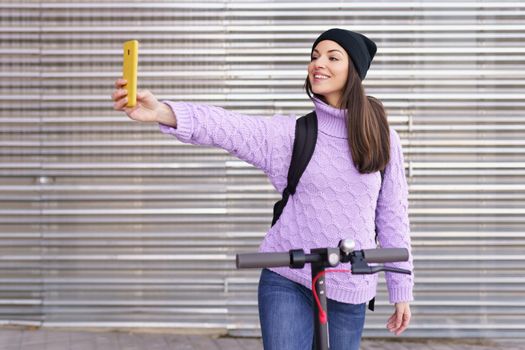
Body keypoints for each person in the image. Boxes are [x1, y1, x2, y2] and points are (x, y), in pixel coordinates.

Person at [111, 28, 414, 350]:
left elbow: (393, 214)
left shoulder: (383, 138)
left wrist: (401, 289)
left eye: (332, 57)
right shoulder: (291, 134)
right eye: (314, 56)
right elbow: (226, 127)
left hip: (351, 283)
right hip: (289, 278)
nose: (317, 63)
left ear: (354, 71)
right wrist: (161, 111)